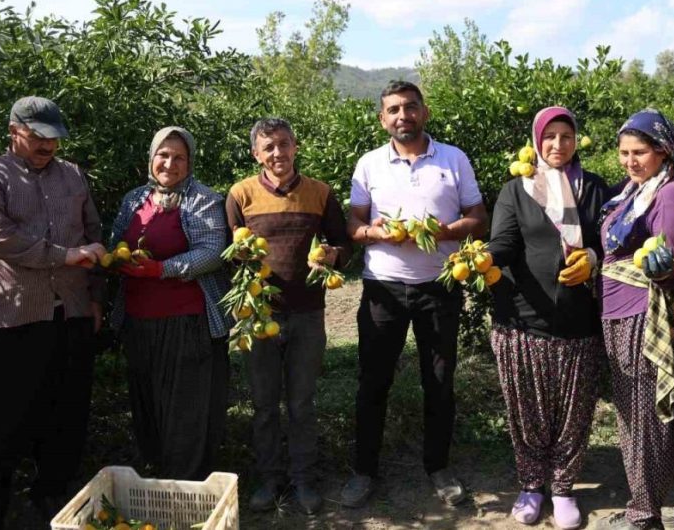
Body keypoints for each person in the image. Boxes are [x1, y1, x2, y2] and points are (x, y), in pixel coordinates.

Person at [339, 80, 488, 508]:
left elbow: (477, 217)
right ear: (382, 118)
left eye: (410, 107)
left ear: (424, 111)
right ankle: (363, 471)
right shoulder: (369, 164)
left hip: (439, 287)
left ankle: (438, 467)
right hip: (383, 289)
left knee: (439, 381)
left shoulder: (453, 159)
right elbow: (354, 224)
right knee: (373, 382)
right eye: (393, 110)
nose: (402, 116)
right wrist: (376, 233)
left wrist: (445, 232)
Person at [0, 96, 106, 528]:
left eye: (54, 139)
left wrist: (95, 297)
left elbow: (94, 234)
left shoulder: (74, 177)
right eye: (37, 137)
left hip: (71, 316)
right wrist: (63, 256)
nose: (47, 146)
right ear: (14, 132)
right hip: (11, 320)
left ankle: (53, 503)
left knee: (65, 418)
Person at [488, 106, 609, 528]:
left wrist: (592, 257)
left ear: (577, 141)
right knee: (528, 411)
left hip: (579, 320)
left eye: (567, 136)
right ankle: (531, 485)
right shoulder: (517, 190)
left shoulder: (594, 189)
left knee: (574, 411)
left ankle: (562, 489)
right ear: (536, 140)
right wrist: (482, 259)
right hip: (523, 319)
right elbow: (502, 243)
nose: (558, 145)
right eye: (550, 137)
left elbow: (609, 241)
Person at [224, 117, 352, 515]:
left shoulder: (320, 193)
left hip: (307, 314)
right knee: (264, 405)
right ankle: (269, 478)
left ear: (295, 146)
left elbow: (343, 245)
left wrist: (333, 256)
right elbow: (228, 255)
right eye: (268, 147)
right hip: (259, 316)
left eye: (284, 144)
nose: (277, 153)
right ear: (255, 154)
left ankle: (304, 479)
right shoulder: (240, 195)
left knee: (302, 402)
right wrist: (240, 259)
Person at [108, 126, 231, 481]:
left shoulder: (203, 199)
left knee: (185, 409)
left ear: (190, 162)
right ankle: (155, 478)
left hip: (185, 322)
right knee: (147, 404)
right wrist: (117, 258)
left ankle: (186, 486)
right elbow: (116, 241)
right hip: (137, 321)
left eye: (179, 157)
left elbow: (211, 254)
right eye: (163, 155)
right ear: (151, 158)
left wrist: (160, 269)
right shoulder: (134, 199)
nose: (170, 163)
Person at [595, 109, 674, 530]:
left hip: (642, 315)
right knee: (635, 413)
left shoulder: (670, 194)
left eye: (639, 152)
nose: (629, 161)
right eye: (623, 152)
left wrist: (660, 267)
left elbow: (671, 262)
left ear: (663, 152)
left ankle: (644, 515)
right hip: (618, 312)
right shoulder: (633, 192)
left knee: (644, 418)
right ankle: (658, 502)